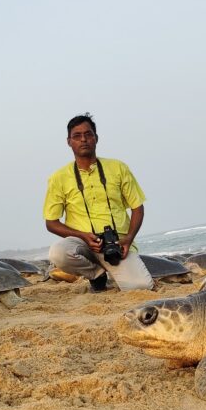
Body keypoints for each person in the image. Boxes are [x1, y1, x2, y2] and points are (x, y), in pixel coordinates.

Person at [43, 114, 154, 292]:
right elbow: (51, 223)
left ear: (96, 138)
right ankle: (96, 274)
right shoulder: (58, 178)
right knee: (58, 252)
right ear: (69, 142)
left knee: (141, 287)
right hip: (82, 244)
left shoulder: (118, 168)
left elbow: (137, 208)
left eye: (88, 134)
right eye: (77, 136)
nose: (83, 139)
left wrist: (128, 239)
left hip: (117, 244)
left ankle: (112, 269)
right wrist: (83, 236)